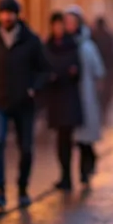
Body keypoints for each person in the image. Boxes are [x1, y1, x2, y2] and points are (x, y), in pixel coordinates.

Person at [0, 0, 49, 209]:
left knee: (26, 148)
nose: (7, 17)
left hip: (24, 103)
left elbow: (44, 69)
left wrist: (33, 88)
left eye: (10, 13)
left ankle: (22, 188)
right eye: (3, 12)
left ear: (17, 15)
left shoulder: (31, 40)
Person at [43, 11, 83, 191]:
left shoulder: (72, 45)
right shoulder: (47, 46)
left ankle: (70, 175)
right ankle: (64, 175)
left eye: (61, 25)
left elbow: (75, 70)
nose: (58, 29)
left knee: (67, 137)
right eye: (55, 25)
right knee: (60, 140)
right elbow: (45, 69)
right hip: (55, 99)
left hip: (69, 98)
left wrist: (60, 73)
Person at [67, 7, 106, 186]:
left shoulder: (87, 46)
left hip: (85, 95)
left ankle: (85, 168)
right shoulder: (62, 45)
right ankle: (68, 175)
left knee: (84, 138)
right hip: (67, 97)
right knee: (71, 138)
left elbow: (98, 70)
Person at [91, 16, 113, 122]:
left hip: (97, 73)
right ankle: (103, 114)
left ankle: (99, 115)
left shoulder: (93, 37)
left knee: (97, 95)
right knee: (105, 96)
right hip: (108, 71)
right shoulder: (110, 37)